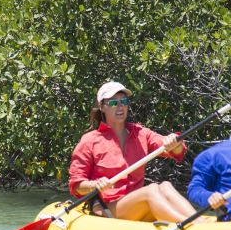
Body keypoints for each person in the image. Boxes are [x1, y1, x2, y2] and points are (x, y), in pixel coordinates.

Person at [69, 81, 197, 222]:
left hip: (136, 204)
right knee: (152, 189)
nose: (120, 106)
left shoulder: (140, 133)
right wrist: (95, 185)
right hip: (107, 208)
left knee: (165, 186)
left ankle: (197, 221)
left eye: (124, 101)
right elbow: (77, 185)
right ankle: (191, 225)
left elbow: (176, 151)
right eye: (113, 103)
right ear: (102, 107)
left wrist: (174, 143)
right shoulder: (89, 140)